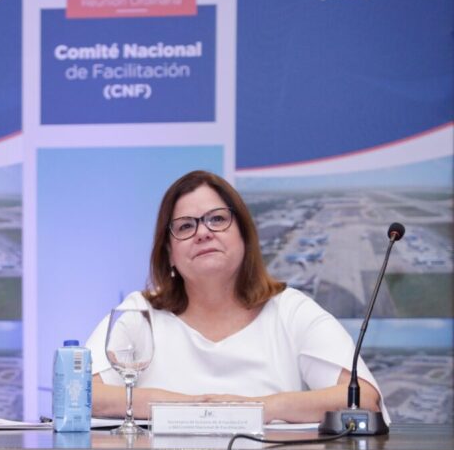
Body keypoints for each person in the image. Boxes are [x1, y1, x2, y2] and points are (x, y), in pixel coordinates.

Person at [85, 170, 386, 423]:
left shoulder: (290, 310)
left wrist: (258, 408)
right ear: (169, 253)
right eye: (186, 226)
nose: (203, 233)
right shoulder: (140, 312)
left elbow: (363, 399)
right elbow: (80, 394)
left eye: (217, 220)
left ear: (244, 236)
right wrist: (187, 407)